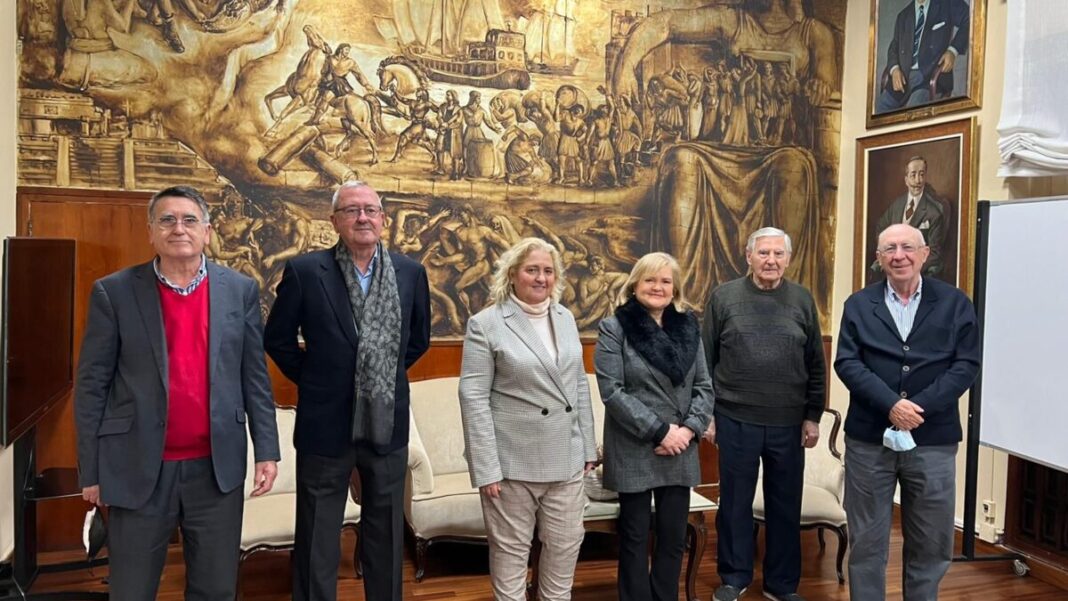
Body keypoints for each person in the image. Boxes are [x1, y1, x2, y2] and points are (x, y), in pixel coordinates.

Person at [74, 185, 280, 600]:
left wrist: (267, 451)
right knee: (131, 589)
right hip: (137, 467)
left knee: (216, 589)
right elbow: (92, 385)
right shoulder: (113, 292)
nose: (178, 228)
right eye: (166, 220)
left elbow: (254, 377)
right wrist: (91, 471)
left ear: (207, 231)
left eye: (189, 220)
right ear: (151, 232)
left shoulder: (238, 290)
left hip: (215, 469)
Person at [263, 181, 431, 601]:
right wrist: (320, 379)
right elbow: (278, 339)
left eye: (371, 210)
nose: (363, 218)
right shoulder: (306, 271)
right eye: (352, 210)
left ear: (383, 219)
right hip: (325, 423)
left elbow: (417, 340)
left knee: (386, 532)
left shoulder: (411, 273)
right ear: (334, 220)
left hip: (386, 422)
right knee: (318, 533)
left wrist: (377, 376)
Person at [835, 223, 980, 601]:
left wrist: (919, 408)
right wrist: (891, 405)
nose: (899, 255)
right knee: (866, 541)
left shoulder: (955, 303)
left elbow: (966, 365)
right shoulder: (858, 305)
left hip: (933, 441)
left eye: (907, 247)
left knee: (931, 542)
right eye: (889, 249)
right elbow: (848, 363)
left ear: (925, 254)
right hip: (869, 441)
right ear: (879, 258)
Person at [457, 237, 598, 601]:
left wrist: (587, 448)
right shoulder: (486, 323)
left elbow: (579, 386)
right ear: (513, 274)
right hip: (511, 464)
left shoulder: (565, 317)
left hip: (566, 461)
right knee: (510, 554)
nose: (541, 278)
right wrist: (485, 467)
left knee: (565, 548)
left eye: (548, 271)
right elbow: (473, 398)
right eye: (532, 270)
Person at [701, 227, 826, 601]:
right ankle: (734, 578)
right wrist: (707, 415)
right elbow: (705, 361)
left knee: (785, 505)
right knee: (735, 503)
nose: (770, 261)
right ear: (748, 256)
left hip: (789, 423)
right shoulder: (724, 297)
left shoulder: (802, 300)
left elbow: (816, 364)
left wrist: (813, 416)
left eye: (778, 254)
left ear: (788, 259)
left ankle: (781, 585)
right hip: (735, 419)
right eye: (763, 253)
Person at [594, 252, 714, 601]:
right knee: (634, 537)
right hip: (636, 443)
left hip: (681, 445)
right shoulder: (614, 327)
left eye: (665, 281)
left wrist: (687, 431)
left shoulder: (689, 325)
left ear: (674, 288)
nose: (657, 287)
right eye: (650, 279)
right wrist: (662, 432)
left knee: (674, 536)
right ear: (635, 284)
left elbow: (705, 386)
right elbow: (611, 391)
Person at [876, 0, 971, 112]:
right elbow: (893, 48)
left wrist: (953, 50)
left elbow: (970, 18)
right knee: (880, 110)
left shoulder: (946, 4)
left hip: (930, 78)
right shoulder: (903, 16)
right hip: (904, 79)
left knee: (914, 113)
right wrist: (895, 69)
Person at [872, 156, 948, 278]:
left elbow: (935, 252)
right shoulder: (896, 206)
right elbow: (881, 228)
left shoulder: (934, 212)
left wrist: (909, 265)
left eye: (922, 175)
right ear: (906, 180)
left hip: (916, 268)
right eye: (913, 175)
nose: (918, 181)